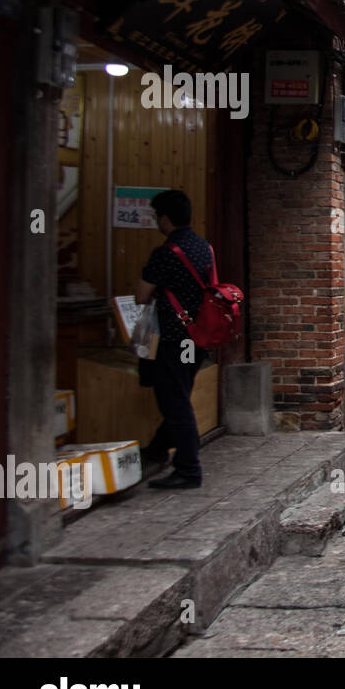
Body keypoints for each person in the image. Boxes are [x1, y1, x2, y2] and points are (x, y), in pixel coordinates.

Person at [134, 190, 214, 489]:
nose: (157, 221)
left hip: (173, 337)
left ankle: (188, 468)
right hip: (197, 337)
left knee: (175, 402)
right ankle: (157, 449)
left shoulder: (166, 253)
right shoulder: (204, 247)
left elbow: (141, 295)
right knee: (179, 394)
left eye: (157, 216)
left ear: (165, 219)